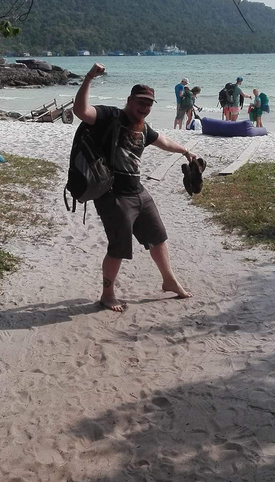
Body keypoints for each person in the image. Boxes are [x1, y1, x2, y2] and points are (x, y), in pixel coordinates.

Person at [74, 63, 196, 312]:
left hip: (138, 190)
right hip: (112, 194)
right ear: (129, 100)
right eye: (141, 101)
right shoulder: (110, 117)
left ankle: (169, 280)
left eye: (150, 103)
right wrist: (89, 77)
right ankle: (107, 294)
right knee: (118, 247)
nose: (145, 107)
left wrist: (184, 150)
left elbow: (163, 141)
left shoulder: (144, 128)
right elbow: (81, 110)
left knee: (158, 236)